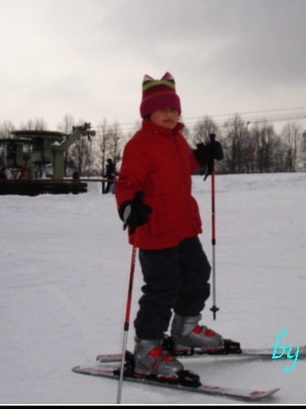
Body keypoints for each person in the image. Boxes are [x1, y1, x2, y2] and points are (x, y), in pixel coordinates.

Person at [115, 72, 224, 380]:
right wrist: (127, 207)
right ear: (147, 113)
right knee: (162, 287)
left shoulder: (177, 139)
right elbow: (126, 183)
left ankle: (185, 329)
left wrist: (202, 156)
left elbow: (186, 162)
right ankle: (146, 348)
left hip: (184, 226)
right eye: (163, 109)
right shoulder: (139, 145)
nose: (170, 115)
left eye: (174, 109)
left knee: (197, 274)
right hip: (155, 230)